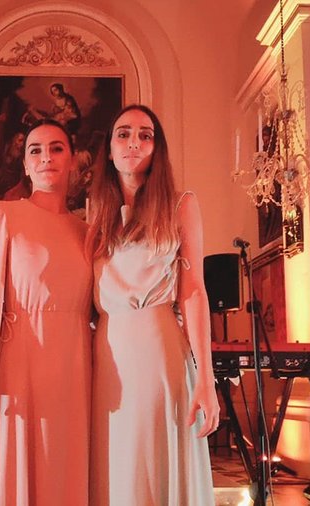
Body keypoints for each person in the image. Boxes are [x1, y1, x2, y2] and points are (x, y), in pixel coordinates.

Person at [86, 104, 219, 504]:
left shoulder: (181, 205)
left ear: (156, 148)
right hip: (106, 352)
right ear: (109, 149)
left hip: (157, 346)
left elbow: (193, 290)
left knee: (152, 457)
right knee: (114, 460)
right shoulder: (97, 214)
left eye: (145, 135)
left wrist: (206, 379)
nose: (134, 142)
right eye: (123, 133)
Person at [0, 119, 92, 505]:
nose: (45, 157)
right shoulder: (3, 215)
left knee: (65, 468)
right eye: (35, 150)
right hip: (20, 366)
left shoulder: (87, 232)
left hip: (75, 368)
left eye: (56, 148)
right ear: (26, 165)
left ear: (72, 161)